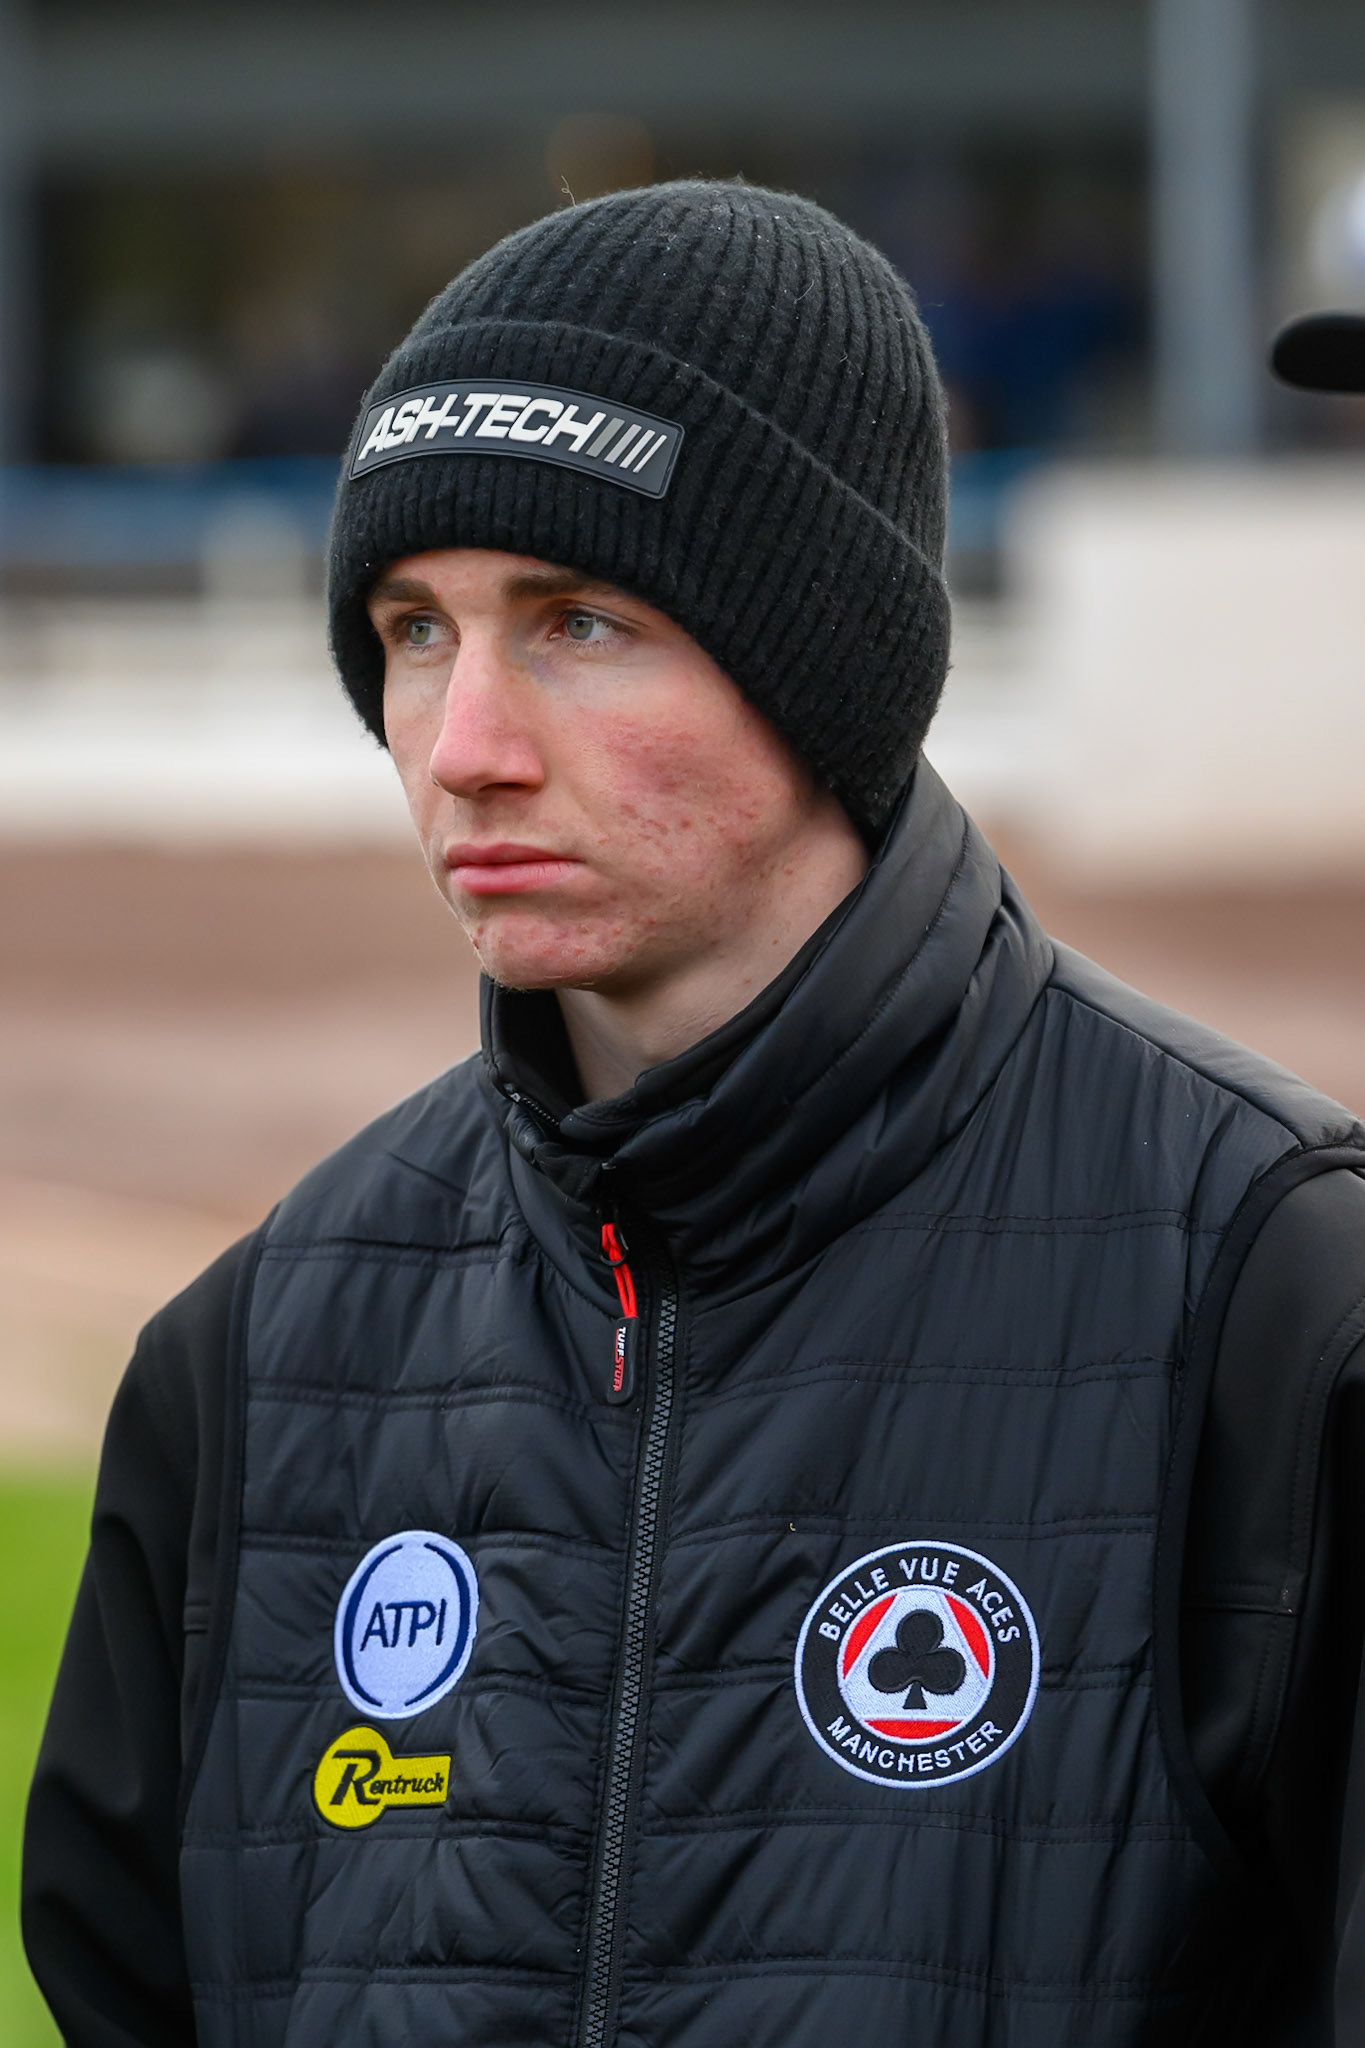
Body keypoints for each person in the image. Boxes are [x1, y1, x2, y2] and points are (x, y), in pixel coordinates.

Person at [22, 181, 1365, 2047]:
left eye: (579, 623)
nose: (466, 746)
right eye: (414, 631)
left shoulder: (1275, 1303)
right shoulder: (247, 1362)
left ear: (826, 665)